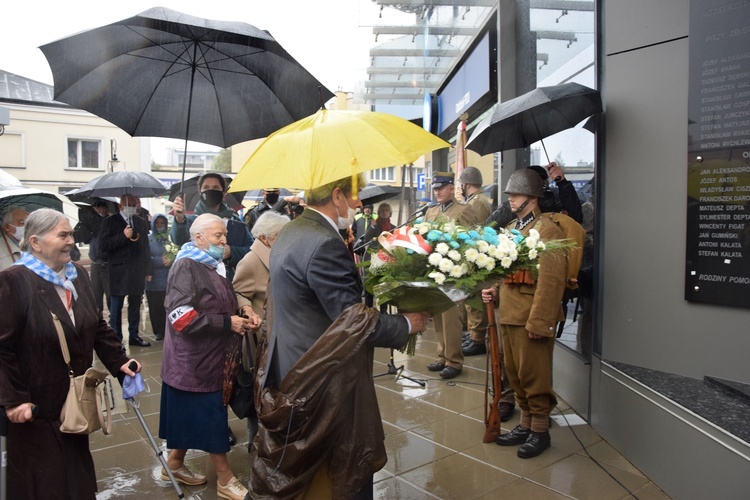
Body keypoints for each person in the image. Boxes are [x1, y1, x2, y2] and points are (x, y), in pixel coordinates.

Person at [250, 174, 429, 499]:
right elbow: (353, 321)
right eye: (356, 195)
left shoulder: (292, 229)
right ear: (337, 196)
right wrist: (406, 324)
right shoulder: (323, 243)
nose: (360, 204)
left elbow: (316, 293)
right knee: (340, 471)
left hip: (289, 366)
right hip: (321, 378)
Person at [0, 208, 141, 499]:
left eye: (71, 235)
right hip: (35, 411)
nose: (71, 241)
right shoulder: (13, 281)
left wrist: (120, 362)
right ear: (36, 242)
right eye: (62, 235)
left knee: (77, 480)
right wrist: (14, 401)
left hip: (75, 401)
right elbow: (2, 349)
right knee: (45, 484)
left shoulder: (76, 277)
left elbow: (96, 325)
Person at [159, 213, 260, 500]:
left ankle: (174, 464)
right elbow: (181, 317)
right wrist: (228, 324)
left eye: (224, 235)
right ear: (199, 238)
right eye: (218, 236)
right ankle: (225, 480)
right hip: (194, 363)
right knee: (211, 419)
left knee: (195, 416)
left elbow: (218, 303)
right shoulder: (186, 267)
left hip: (212, 360)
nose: (224, 241)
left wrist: (242, 313)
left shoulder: (211, 265)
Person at [481, 168, 567, 459]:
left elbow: (552, 281)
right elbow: (506, 270)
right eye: (510, 195)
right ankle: (526, 424)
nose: (510, 199)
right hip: (509, 314)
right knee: (516, 376)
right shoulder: (513, 229)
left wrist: (540, 321)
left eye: (515, 195)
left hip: (530, 317)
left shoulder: (548, 230)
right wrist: (494, 289)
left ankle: (540, 431)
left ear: (531, 197)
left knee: (535, 377)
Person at [231, 211, 290, 451]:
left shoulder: (279, 254)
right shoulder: (251, 260)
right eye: (281, 235)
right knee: (260, 394)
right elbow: (237, 292)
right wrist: (247, 310)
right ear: (266, 238)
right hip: (260, 338)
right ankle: (255, 444)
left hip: (280, 333)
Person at [424, 171, 475, 380]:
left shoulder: (464, 210)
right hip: (435, 271)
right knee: (438, 316)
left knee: (451, 318)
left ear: (451, 188)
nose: (437, 192)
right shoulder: (431, 211)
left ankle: (454, 361)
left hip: (454, 271)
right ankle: (443, 355)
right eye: (434, 189)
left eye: (441, 188)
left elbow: (472, 240)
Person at [171, 172, 253, 280]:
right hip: (201, 282)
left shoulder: (236, 222)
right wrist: (180, 219)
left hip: (232, 283)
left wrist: (232, 252)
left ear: (224, 193)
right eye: (206, 187)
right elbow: (178, 239)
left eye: (215, 187)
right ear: (200, 192)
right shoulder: (192, 221)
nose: (211, 190)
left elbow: (251, 250)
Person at [99, 194, 152, 347]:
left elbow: (145, 247)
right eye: (128, 204)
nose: (132, 207)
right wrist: (123, 236)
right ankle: (116, 338)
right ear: (120, 206)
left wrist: (148, 269)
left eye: (134, 204)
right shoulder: (109, 222)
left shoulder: (140, 222)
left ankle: (134, 335)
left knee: (135, 304)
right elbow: (104, 246)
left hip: (137, 270)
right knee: (116, 307)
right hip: (118, 271)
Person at [457, 167, 494, 358]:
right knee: (471, 299)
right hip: (473, 255)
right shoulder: (475, 201)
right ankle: (474, 334)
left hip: (476, 255)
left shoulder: (478, 203)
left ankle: (478, 338)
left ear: (467, 184)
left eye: (461, 184)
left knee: (475, 298)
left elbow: (476, 231)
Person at [487, 162, 583, 229]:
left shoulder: (554, 197)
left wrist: (562, 183)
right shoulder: (513, 206)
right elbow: (489, 227)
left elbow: (575, 218)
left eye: (541, 182)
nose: (539, 187)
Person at [145, 214, 173, 341]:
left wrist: (171, 258)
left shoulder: (169, 238)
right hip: (153, 279)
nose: (160, 226)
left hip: (168, 278)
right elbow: (145, 258)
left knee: (167, 306)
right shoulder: (148, 239)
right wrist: (159, 261)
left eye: (162, 223)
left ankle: (168, 329)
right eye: (158, 223)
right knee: (155, 307)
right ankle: (158, 331)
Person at [361, 202, 394, 308]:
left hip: (386, 261)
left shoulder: (393, 228)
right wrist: (372, 227)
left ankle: (384, 312)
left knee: (383, 288)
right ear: (379, 212)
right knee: (369, 288)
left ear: (390, 213)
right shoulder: (374, 225)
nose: (384, 212)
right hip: (371, 260)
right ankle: (368, 311)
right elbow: (366, 239)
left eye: (386, 210)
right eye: (382, 210)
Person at [87, 200, 111, 313]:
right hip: (95, 261)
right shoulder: (92, 221)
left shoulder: (110, 221)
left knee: (109, 291)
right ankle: (98, 313)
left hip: (107, 262)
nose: (99, 210)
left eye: (101, 208)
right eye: (97, 208)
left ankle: (113, 314)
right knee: (96, 291)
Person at [0, 206, 29, 270]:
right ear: (7, 227)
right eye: (22, 223)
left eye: (28, 223)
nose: (27, 227)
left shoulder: (35, 244)